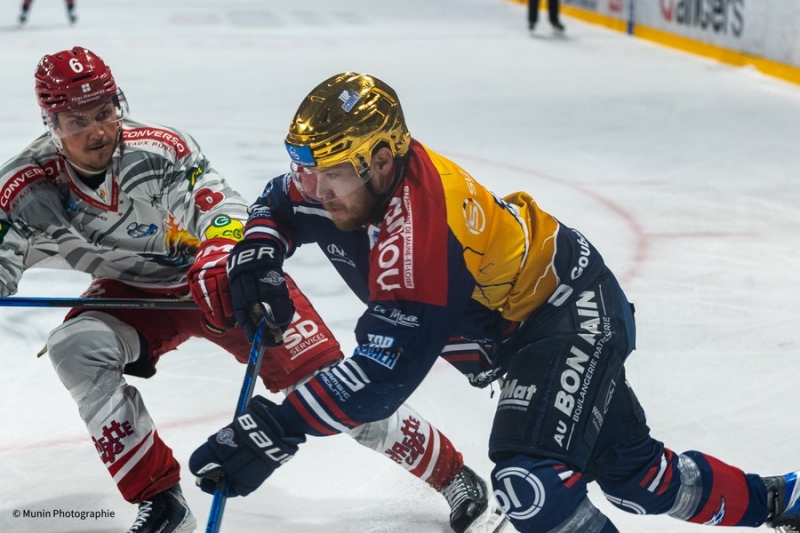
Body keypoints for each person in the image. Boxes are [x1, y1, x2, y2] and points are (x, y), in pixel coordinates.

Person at [190, 71, 800, 533]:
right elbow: (280, 200)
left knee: (528, 480)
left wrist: (276, 428)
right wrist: (259, 253)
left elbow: (381, 376)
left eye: (330, 176)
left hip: (566, 313)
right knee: (634, 476)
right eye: (308, 171)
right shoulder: (347, 182)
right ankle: (783, 498)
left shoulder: (422, 231)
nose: (315, 192)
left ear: (382, 160)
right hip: (528, 327)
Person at [0, 50, 499, 533]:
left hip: (218, 280)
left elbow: (225, 209)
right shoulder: (23, 186)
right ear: (51, 124)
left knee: (328, 386)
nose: (99, 131)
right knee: (74, 347)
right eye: (77, 121)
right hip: (128, 292)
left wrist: (221, 255)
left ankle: (452, 474)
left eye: (106, 112)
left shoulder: (159, 149)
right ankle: (160, 500)